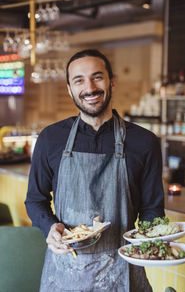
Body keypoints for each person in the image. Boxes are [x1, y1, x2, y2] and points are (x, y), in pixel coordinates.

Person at [25, 49, 165, 292]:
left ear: (112, 81)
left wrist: (150, 241)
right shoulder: (50, 138)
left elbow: (152, 209)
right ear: (69, 89)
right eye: (79, 80)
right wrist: (50, 227)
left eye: (97, 77)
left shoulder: (145, 142)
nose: (89, 87)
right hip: (65, 272)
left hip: (124, 273)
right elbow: (35, 200)